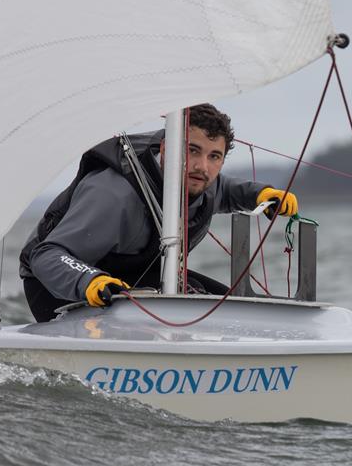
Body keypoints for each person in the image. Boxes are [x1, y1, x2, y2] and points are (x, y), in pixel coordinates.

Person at [19, 103, 298, 322]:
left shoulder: (199, 181)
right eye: (192, 150)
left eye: (215, 156)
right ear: (167, 148)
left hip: (139, 279)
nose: (202, 166)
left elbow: (226, 189)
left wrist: (261, 194)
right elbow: (46, 256)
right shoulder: (113, 194)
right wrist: (89, 281)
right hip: (58, 287)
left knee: (231, 311)